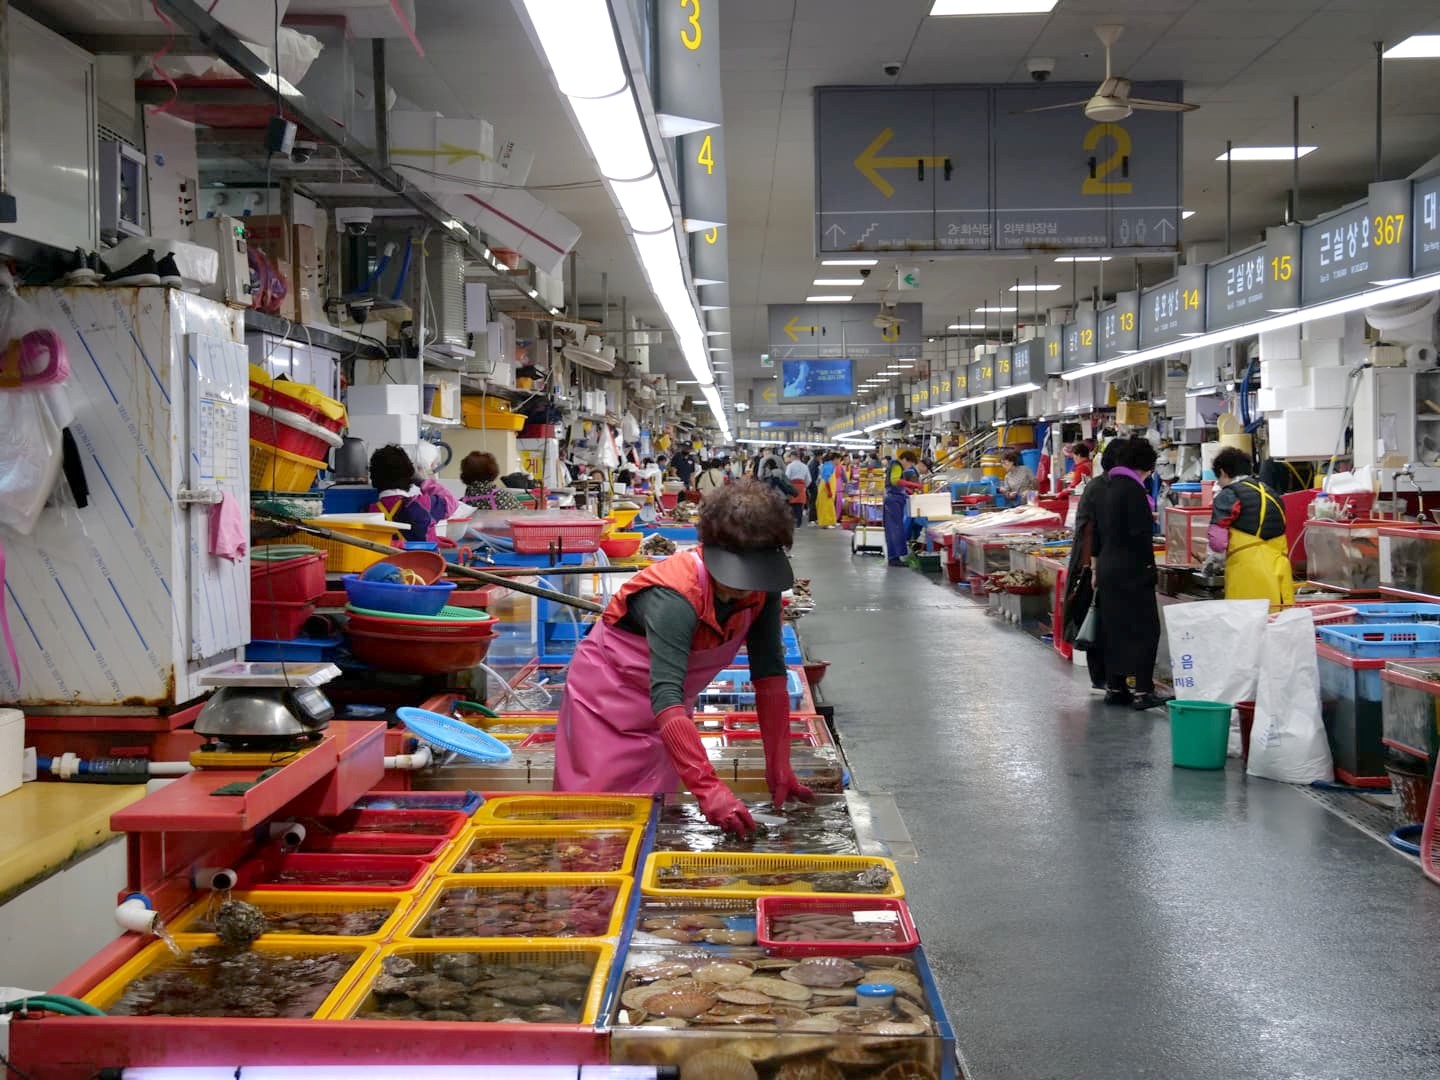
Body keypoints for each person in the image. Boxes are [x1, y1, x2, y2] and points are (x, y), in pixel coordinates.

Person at [554, 481, 814, 833]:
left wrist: (779, 763)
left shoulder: (761, 590)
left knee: (654, 817)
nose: (744, 589)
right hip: (604, 704)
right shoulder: (675, 595)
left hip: (670, 716)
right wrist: (708, 788)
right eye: (736, 577)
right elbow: (666, 695)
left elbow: (770, 676)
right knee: (594, 822)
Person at [1092, 438, 1166, 710]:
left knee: (1115, 628)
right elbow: (1139, 535)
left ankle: (1116, 687)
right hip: (1131, 569)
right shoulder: (1134, 490)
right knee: (1146, 629)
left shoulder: (1106, 487)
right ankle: (1143, 691)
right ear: (1144, 466)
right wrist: (1149, 569)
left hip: (1108, 567)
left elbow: (1097, 532)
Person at [1063, 440, 1122, 693]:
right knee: (1095, 615)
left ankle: (1102, 678)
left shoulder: (1098, 485)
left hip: (1088, 560)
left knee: (1094, 615)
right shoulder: (1104, 487)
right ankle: (1103, 678)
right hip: (1090, 562)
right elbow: (1091, 531)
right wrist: (1093, 567)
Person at [1207, 447, 1295, 609]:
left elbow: (1218, 542)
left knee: (1247, 620)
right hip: (1279, 576)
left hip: (1247, 578)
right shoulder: (1272, 494)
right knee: (1274, 618)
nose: (1218, 483)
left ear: (1223, 472)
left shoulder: (1228, 495)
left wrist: (1212, 562)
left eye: (1218, 478)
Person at [368, 445, 440, 544]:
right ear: (411, 475)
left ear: (373, 478)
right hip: (423, 554)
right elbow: (450, 501)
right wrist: (422, 482)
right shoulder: (423, 504)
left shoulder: (368, 511)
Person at [883, 449, 922, 566]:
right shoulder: (897, 465)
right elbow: (895, 481)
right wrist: (913, 484)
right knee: (895, 529)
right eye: (909, 464)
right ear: (905, 459)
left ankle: (894, 556)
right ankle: (894, 557)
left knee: (895, 528)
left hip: (894, 500)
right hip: (893, 501)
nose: (908, 467)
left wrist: (907, 490)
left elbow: (896, 483)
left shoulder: (895, 465)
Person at [784, 452, 810, 528]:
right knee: (799, 505)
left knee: (791, 505)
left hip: (792, 487)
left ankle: (792, 522)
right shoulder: (805, 466)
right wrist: (804, 486)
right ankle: (798, 523)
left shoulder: (790, 466)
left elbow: (787, 477)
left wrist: (787, 488)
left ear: (793, 456)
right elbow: (809, 479)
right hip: (801, 487)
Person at [815, 453, 838, 528]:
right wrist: (829, 491)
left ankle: (828, 522)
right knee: (825, 507)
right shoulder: (829, 466)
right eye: (839, 459)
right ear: (835, 459)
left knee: (827, 506)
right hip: (825, 489)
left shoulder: (827, 465)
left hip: (824, 488)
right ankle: (825, 523)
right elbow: (826, 480)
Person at [807, 452, 822, 523]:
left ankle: (814, 518)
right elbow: (812, 477)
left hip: (813, 485)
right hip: (813, 486)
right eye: (820, 456)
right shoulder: (814, 464)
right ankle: (812, 519)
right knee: (813, 502)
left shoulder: (814, 463)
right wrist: (815, 485)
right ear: (817, 456)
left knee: (813, 501)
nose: (821, 458)